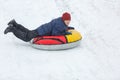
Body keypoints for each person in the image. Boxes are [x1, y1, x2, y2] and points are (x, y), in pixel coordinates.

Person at [4, 12, 74, 42]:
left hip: (42, 29)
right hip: (41, 32)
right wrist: (65, 33)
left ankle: (14, 23)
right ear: (64, 19)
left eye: (69, 21)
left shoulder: (60, 21)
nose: (68, 22)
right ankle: (12, 29)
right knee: (26, 38)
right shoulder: (60, 24)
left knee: (28, 32)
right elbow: (55, 34)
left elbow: (62, 27)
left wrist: (68, 28)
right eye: (67, 20)